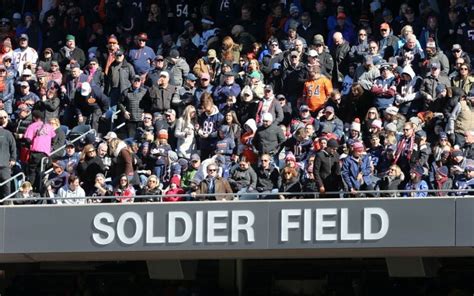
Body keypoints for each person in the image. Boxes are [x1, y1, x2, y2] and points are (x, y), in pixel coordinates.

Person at [23, 110, 56, 189]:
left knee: (32, 172)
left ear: (34, 117)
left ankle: (30, 190)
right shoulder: (49, 126)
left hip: (35, 152)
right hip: (45, 154)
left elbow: (28, 139)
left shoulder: (32, 126)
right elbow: (54, 138)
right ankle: (39, 190)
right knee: (41, 172)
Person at [0, 110, 16, 198]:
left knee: (6, 186)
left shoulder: (7, 134)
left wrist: (13, 159)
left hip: (4, 165)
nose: (3, 119)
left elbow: (13, 147)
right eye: (1, 118)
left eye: (5, 117)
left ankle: (7, 203)